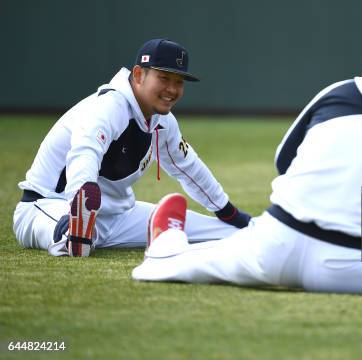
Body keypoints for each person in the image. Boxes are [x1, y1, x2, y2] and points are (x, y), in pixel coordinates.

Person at [131, 21, 362, 294]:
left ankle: (166, 245)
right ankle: (171, 246)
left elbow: (284, 160)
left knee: (176, 262)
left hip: (271, 244)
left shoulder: (336, 92)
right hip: (346, 268)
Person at [13, 38, 251, 257]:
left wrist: (228, 213)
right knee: (70, 237)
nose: (172, 89)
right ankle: (74, 233)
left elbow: (189, 167)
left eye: (179, 82)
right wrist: (77, 205)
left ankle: (257, 230)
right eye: (164, 78)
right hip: (46, 206)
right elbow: (85, 153)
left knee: (226, 231)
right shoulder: (109, 105)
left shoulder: (162, 121)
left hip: (119, 217)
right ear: (138, 74)